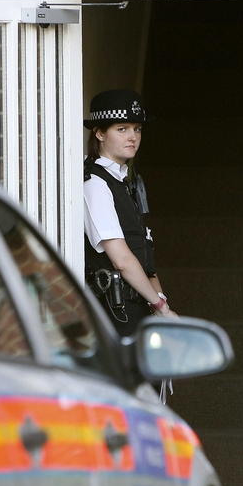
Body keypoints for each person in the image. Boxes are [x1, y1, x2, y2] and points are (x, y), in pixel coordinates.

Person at [82, 89, 177, 339]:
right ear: (100, 133)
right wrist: (161, 308)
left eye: (137, 129)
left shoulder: (125, 183)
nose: (132, 136)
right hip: (115, 313)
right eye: (122, 129)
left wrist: (160, 305)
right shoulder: (94, 183)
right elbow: (121, 259)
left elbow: (144, 258)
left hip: (138, 308)